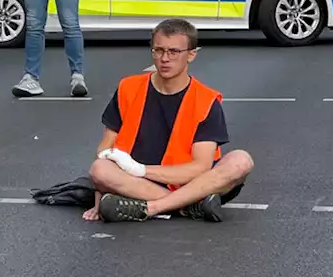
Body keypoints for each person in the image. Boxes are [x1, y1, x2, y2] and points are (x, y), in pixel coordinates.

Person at [84, 18, 254, 223]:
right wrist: (99, 195)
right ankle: (191, 206)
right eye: (158, 50)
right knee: (99, 169)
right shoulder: (128, 88)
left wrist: (140, 169)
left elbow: (200, 168)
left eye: (174, 52)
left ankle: (152, 207)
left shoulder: (206, 100)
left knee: (241, 161)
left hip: (188, 181)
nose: (165, 58)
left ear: (191, 55)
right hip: (139, 182)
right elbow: (105, 150)